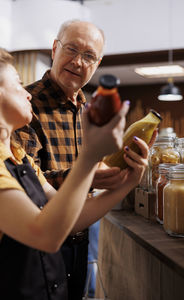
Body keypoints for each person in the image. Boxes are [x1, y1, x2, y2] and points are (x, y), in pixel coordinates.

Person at [0, 43, 149, 300]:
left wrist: (129, 181)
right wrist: (90, 157)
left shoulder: (18, 156)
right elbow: (45, 235)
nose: (26, 93)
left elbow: (72, 220)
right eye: (17, 84)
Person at [16, 19, 129, 299]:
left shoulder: (87, 109)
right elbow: (28, 184)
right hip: (39, 242)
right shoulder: (24, 105)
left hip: (81, 238)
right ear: (55, 49)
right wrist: (87, 172)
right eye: (71, 50)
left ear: (98, 63)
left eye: (89, 56)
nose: (78, 62)